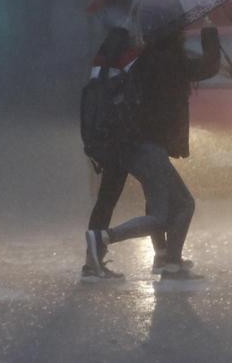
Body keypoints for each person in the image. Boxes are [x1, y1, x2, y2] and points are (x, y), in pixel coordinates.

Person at [85, 25, 220, 281]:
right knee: (171, 209)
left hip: (130, 142)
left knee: (154, 203)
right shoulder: (168, 61)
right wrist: (209, 29)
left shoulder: (144, 60)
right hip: (147, 147)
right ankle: (106, 238)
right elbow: (209, 66)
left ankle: (167, 260)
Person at [80, 27, 166, 281]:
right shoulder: (130, 56)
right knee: (155, 191)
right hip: (126, 139)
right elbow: (145, 86)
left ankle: (92, 260)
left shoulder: (104, 58)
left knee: (106, 199)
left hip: (103, 137)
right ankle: (162, 255)